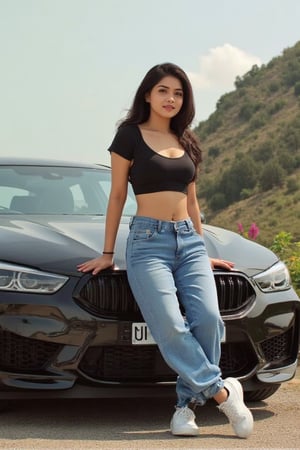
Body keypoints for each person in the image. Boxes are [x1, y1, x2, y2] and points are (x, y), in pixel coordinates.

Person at [77, 62, 253, 438]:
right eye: (163, 91)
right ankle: (224, 393)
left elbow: (192, 202)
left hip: (188, 241)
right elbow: (118, 196)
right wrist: (108, 253)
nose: (171, 98)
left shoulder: (187, 140)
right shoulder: (129, 136)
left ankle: (184, 407)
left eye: (178, 92)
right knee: (170, 325)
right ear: (147, 95)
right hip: (147, 242)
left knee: (208, 319)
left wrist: (201, 249)